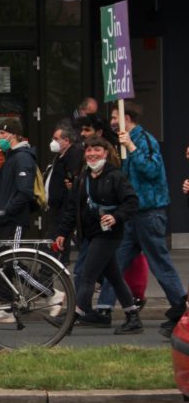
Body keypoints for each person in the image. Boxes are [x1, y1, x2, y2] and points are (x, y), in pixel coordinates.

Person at [96, 102, 187, 338]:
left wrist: (132, 147)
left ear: (128, 117)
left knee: (159, 262)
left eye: (116, 117)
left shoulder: (144, 140)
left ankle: (180, 307)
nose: (113, 121)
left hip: (149, 213)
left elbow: (153, 170)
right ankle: (104, 309)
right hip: (132, 214)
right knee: (115, 260)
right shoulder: (124, 142)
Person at [54, 138, 143, 335]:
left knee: (87, 275)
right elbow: (72, 209)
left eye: (97, 150)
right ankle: (133, 318)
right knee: (115, 278)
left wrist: (116, 216)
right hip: (91, 235)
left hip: (109, 235)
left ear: (105, 153)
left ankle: (72, 319)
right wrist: (62, 233)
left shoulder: (116, 176)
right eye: (89, 150)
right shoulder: (83, 177)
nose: (92, 154)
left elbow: (132, 202)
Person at [0, 118, 38, 323]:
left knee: (11, 263)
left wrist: (7, 212)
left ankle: (49, 292)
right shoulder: (10, 157)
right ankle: (6, 307)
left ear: (13, 134)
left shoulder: (23, 158)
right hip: (2, 219)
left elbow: (24, 192)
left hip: (13, 220)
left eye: (2, 135)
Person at [45, 121, 83, 265]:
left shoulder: (74, 153)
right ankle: (60, 261)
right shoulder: (59, 156)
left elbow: (71, 179)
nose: (53, 142)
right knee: (62, 237)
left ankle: (48, 269)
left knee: (58, 236)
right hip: (57, 206)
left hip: (65, 206)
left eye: (56, 139)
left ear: (66, 141)